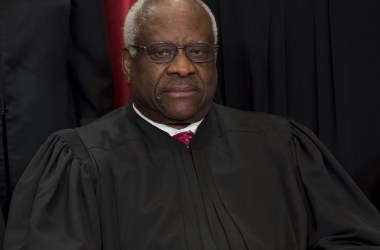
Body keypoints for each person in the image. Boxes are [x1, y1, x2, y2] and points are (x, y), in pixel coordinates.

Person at [3, 0, 380, 249]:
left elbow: (355, 239)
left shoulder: (282, 146)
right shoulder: (80, 164)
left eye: (198, 52)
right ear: (129, 64)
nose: (183, 67)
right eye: (161, 52)